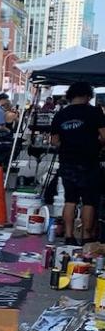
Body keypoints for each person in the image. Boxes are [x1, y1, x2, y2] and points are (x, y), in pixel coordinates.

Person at [50, 81, 105, 245]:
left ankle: (68, 235)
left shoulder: (61, 114)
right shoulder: (94, 113)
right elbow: (104, 136)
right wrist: (97, 143)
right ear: (88, 96)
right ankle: (86, 236)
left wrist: (68, 144)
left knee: (70, 199)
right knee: (89, 200)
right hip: (89, 161)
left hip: (67, 161)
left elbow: (54, 141)